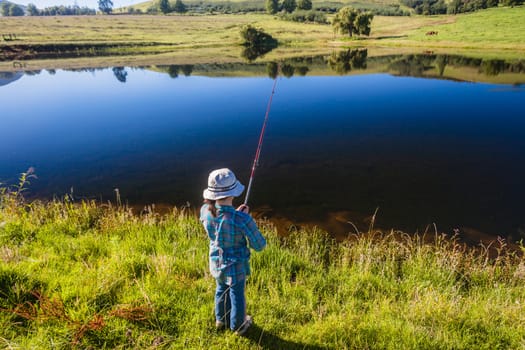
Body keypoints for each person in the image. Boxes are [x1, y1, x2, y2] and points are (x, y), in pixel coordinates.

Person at [200, 168, 266, 336]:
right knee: (237, 294)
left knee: (221, 288)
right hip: (235, 266)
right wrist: (243, 218)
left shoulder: (205, 211)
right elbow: (259, 245)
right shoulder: (242, 219)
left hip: (216, 261)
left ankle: (220, 320)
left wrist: (236, 213)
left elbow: (222, 218)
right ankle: (238, 325)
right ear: (233, 193)